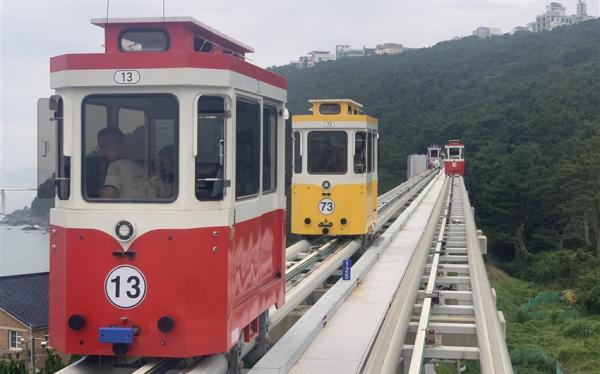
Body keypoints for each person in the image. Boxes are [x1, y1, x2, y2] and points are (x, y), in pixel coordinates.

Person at [97, 127, 155, 199]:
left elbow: (107, 197)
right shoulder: (139, 169)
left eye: (109, 145)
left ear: (122, 146)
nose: (104, 150)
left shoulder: (115, 166)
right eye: (101, 146)